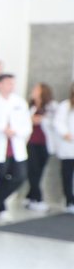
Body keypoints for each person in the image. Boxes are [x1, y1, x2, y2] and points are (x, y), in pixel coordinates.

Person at [0, 72, 31, 223]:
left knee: (19, 176)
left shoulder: (20, 102)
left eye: (13, 83)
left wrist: (17, 131)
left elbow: (26, 123)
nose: (11, 86)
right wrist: (2, 128)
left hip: (16, 144)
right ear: (0, 84)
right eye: (9, 83)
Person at [25, 82, 56, 212]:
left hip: (44, 144)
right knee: (33, 171)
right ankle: (37, 198)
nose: (34, 91)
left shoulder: (52, 107)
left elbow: (55, 122)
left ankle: (31, 197)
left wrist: (42, 120)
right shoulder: (30, 106)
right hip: (31, 142)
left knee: (38, 172)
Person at [53, 84, 74, 214]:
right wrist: (66, 134)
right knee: (67, 176)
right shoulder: (65, 106)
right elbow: (58, 123)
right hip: (68, 147)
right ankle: (69, 201)